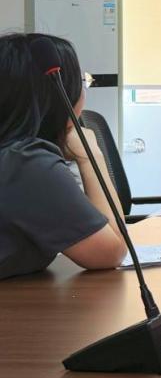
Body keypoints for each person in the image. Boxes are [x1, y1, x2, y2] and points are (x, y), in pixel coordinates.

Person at [0, 33, 127, 280]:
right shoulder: (26, 164)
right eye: (82, 82)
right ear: (58, 93)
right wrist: (90, 155)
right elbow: (112, 251)